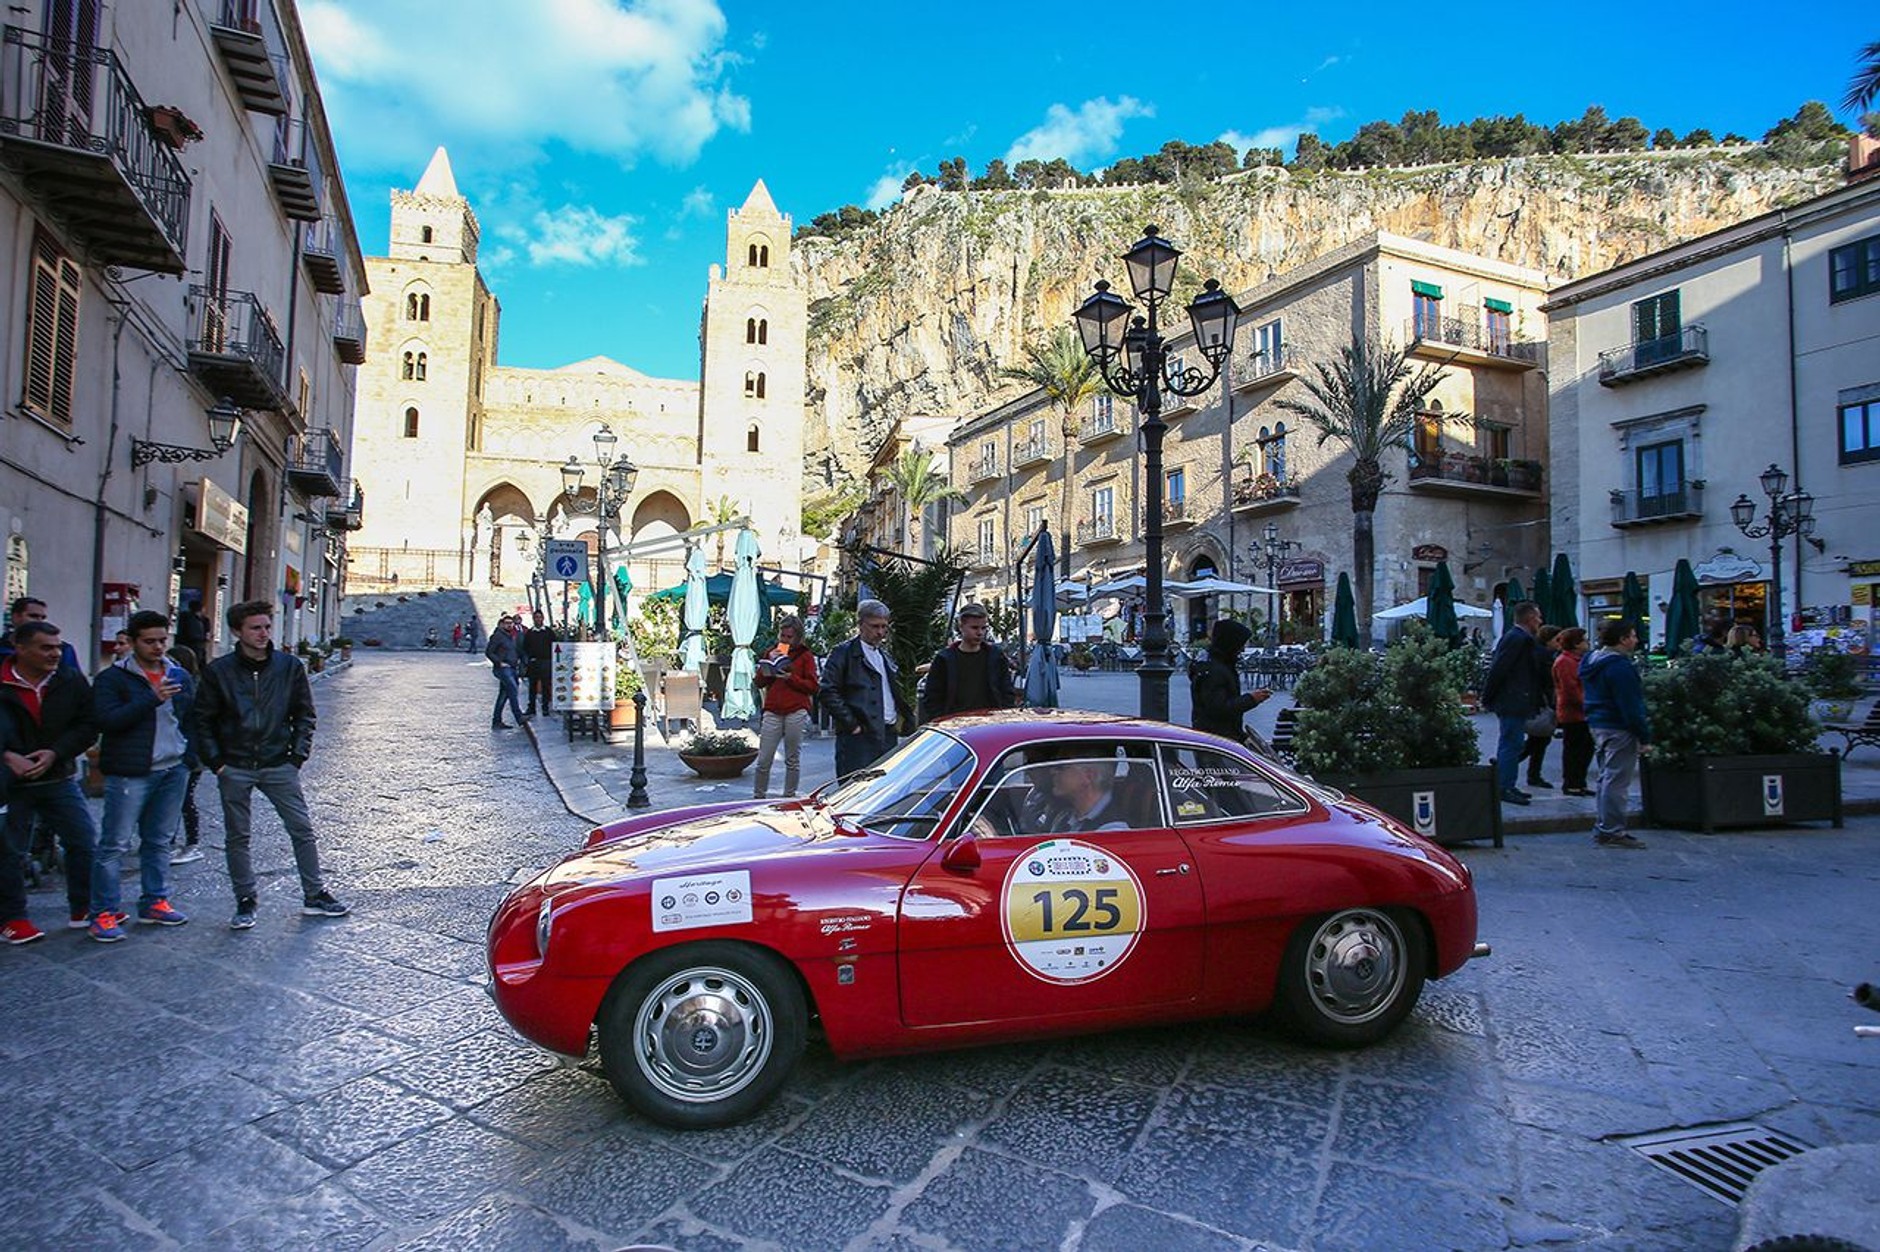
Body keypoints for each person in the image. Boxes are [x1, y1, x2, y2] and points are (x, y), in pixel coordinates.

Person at [192, 600, 348, 928]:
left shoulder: (288, 667)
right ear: (237, 631)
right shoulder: (219, 672)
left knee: (302, 829)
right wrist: (217, 762)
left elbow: (304, 713)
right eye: (255, 628)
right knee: (238, 835)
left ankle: (315, 893)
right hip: (234, 764)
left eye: (266, 626)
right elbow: (202, 720)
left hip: (279, 763)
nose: (263, 634)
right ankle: (245, 899)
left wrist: (296, 756)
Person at [89, 610, 195, 940]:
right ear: (133, 642)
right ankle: (104, 912)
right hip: (131, 772)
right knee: (114, 844)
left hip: (173, 767)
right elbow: (108, 721)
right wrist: (150, 698)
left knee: (159, 840)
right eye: (149, 642)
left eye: (163, 640)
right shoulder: (113, 679)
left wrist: (190, 757)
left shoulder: (178, 674)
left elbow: (189, 717)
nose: (158, 647)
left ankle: (155, 900)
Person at [0, 621, 100, 944]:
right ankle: (12, 918)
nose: (55, 653)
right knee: (9, 850)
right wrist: (6, 756)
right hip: (9, 781)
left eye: (57, 647)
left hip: (57, 775)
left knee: (83, 840)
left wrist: (56, 752)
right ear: (20, 648)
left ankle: (83, 908)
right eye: (46, 647)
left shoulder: (69, 680)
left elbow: (88, 725)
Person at [818, 599, 912, 779]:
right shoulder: (843, 653)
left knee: (883, 790)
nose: (881, 632)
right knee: (854, 789)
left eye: (884, 627)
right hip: (859, 737)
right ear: (861, 625)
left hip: (886, 733)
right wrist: (852, 724)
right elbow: (827, 690)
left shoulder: (884, 655)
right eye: (875, 626)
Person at [1581, 618, 1652, 850]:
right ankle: (1612, 829)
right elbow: (1630, 705)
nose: (1635, 640)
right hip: (1617, 725)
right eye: (1632, 635)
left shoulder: (1591, 660)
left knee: (1606, 777)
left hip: (1598, 723)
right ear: (1622, 639)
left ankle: (1605, 825)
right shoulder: (1619, 667)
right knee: (1617, 780)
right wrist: (1644, 736)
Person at [1481, 600, 1549, 806]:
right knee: (1511, 743)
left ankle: (1508, 784)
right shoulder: (1517, 639)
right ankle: (1503, 786)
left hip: (1516, 699)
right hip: (1513, 700)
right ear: (1529, 618)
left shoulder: (1520, 638)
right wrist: (1488, 696)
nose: (1540, 621)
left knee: (1514, 742)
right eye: (1537, 617)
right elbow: (1499, 668)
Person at [753, 615, 819, 799]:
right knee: (764, 759)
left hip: (796, 708)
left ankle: (788, 797)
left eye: (789, 637)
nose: (784, 640)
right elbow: (759, 682)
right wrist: (767, 668)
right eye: (782, 636)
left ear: (797, 637)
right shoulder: (772, 651)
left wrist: (792, 678)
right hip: (773, 708)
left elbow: (813, 686)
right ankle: (758, 796)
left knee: (792, 758)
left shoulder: (805, 656)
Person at [917, 602, 1015, 724]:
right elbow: (932, 696)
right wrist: (942, 719)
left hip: (990, 722)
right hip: (955, 723)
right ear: (961, 626)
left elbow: (1006, 690)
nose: (980, 633)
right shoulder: (945, 659)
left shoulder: (995, 656)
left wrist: (1004, 715)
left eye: (983, 628)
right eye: (974, 627)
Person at [1190, 619, 1272, 741]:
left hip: (1221, 735)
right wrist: (1251, 699)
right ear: (1231, 643)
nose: (1242, 650)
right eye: (1241, 645)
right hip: (1217, 739)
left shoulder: (1218, 665)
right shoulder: (1215, 671)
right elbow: (1219, 708)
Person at [165, 643, 206, 865]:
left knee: (184, 799)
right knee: (173, 799)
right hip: (179, 752)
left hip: (190, 754)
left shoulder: (192, 689)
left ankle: (192, 843)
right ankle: (168, 841)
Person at [1518, 625, 1563, 790]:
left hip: (1539, 702)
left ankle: (1532, 773)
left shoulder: (1542, 655)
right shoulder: (1544, 657)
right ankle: (1529, 772)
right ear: (1548, 640)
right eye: (1556, 640)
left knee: (1537, 741)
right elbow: (1546, 682)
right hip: (1541, 703)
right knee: (1538, 740)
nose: (1559, 643)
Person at [1552, 627, 1594, 797]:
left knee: (1585, 749)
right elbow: (1570, 689)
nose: (1588, 643)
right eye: (1585, 640)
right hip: (1574, 713)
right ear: (1576, 644)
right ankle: (1572, 784)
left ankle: (1579, 782)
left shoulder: (1577, 660)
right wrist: (1588, 704)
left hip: (1581, 711)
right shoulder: (1565, 662)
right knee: (1575, 750)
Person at [0, 596, 82, 670]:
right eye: (33, 616)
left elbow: (73, 681)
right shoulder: (2, 647)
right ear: (16, 617)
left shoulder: (63, 649)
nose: (39, 621)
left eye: (42, 617)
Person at [485, 615, 526, 729]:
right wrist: (499, 662)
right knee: (513, 689)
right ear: (502, 624)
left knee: (503, 695)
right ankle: (519, 717)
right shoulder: (497, 636)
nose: (509, 625)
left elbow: (519, 650)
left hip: (512, 667)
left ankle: (496, 720)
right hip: (503, 669)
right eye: (507, 623)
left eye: (511, 623)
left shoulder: (513, 636)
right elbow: (489, 652)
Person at [521, 611, 555, 716]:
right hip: (533, 662)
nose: (538, 619)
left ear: (543, 618)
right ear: (533, 619)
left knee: (546, 686)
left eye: (540, 617)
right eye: (536, 617)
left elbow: (554, 646)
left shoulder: (549, 632)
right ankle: (531, 707)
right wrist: (528, 659)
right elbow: (525, 647)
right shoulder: (530, 633)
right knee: (532, 686)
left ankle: (545, 707)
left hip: (546, 662)